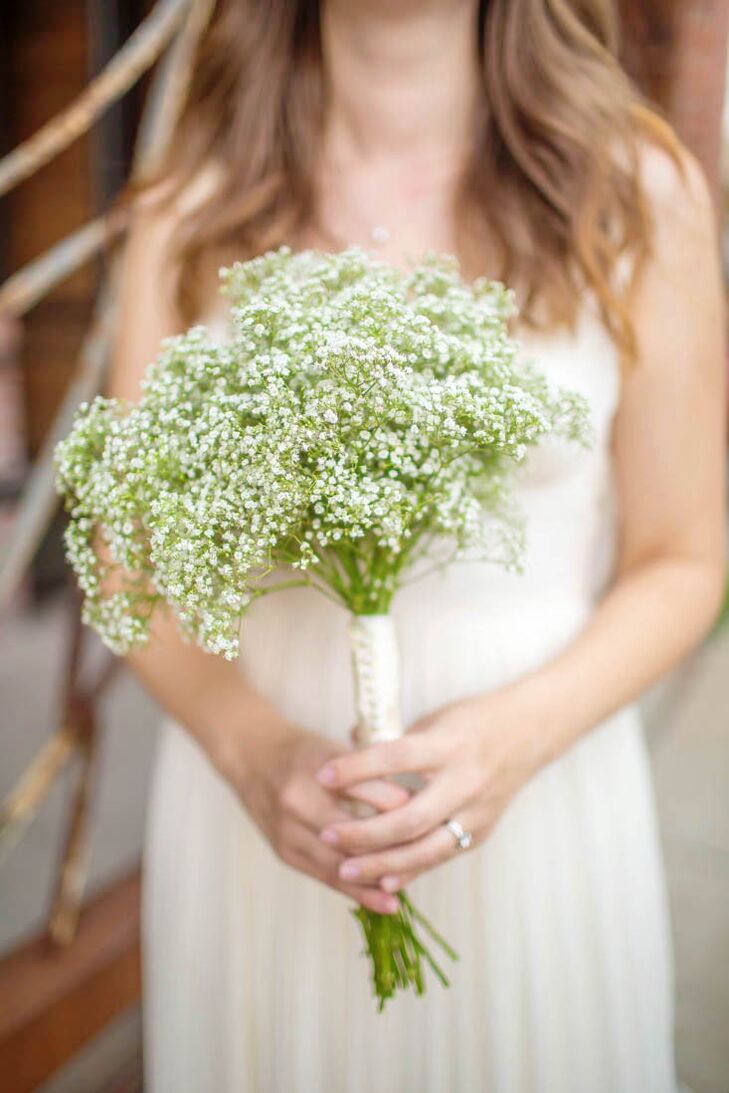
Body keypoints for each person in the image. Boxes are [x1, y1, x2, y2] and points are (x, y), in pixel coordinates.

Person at [108, 1, 726, 1090]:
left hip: (541, 800)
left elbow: (685, 557)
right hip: (260, 816)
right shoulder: (189, 203)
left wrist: (511, 742)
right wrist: (253, 753)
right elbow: (130, 562)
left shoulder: (636, 189)